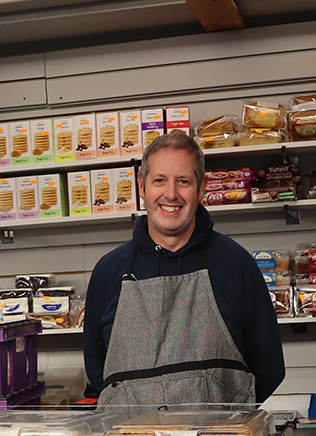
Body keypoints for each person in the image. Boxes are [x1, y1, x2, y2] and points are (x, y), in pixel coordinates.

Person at [83, 132, 285, 407]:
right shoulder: (108, 272)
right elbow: (98, 373)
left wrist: (222, 419)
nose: (171, 194)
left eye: (183, 182)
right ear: (142, 186)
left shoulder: (236, 265)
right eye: (159, 181)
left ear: (201, 188)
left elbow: (269, 368)